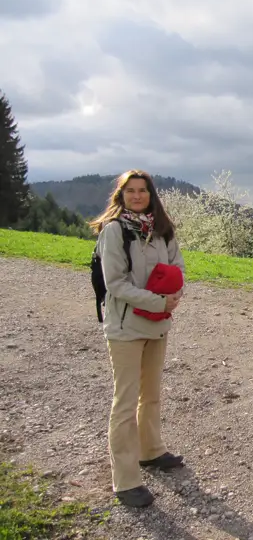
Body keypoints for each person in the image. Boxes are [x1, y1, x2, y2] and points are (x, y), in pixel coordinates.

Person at [89, 170, 186, 507]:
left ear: (150, 194)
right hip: (126, 328)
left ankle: (151, 451)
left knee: (152, 394)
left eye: (142, 190)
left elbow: (178, 268)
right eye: (130, 191)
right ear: (121, 195)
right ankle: (126, 480)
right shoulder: (114, 231)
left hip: (158, 325)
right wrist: (159, 301)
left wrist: (175, 294)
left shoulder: (162, 230)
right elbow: (115, 284)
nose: (137, 196)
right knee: (126, 402)